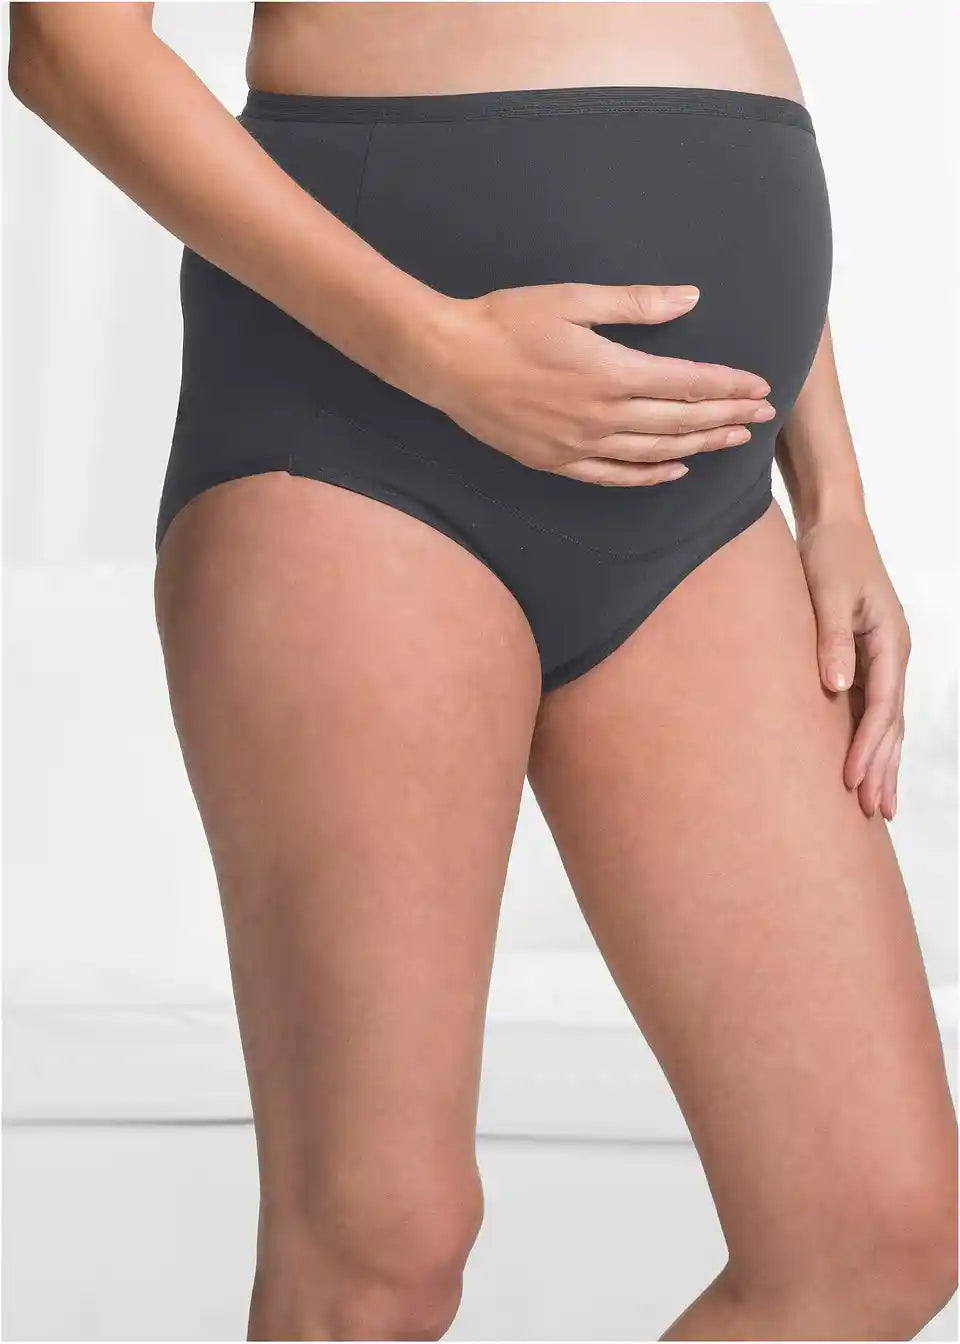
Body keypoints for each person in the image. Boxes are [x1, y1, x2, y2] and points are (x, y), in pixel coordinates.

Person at [9, 3, 956, 1340]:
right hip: (363, 428)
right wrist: (438, 351)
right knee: (380, 1247)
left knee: (873, 1233)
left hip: (702, 488)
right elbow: (65, 46)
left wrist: (836, 494)